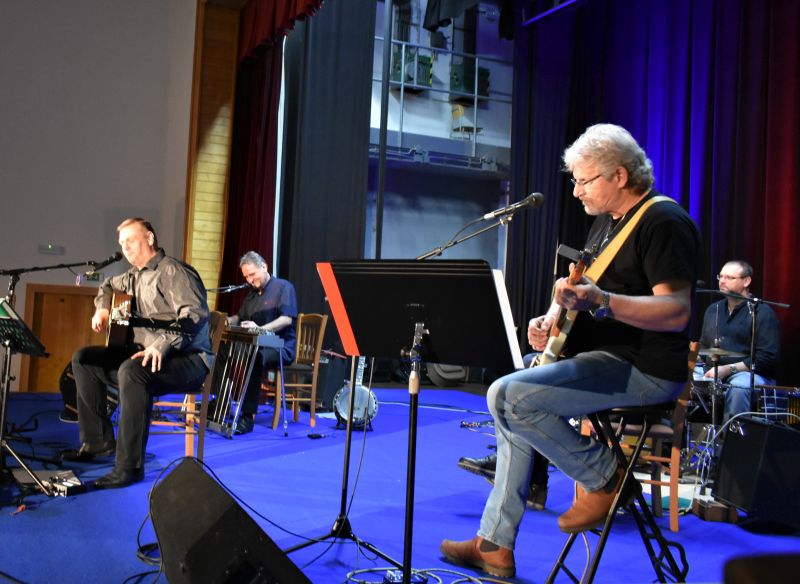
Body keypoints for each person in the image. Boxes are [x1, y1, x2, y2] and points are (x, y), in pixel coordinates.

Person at [440, 123, 702, 579]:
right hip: (608, 359)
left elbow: (677, 312)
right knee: (514, 386)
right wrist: (551, 318)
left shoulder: (663, 222)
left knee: (508, 396)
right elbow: (581, 287)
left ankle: (605, 477)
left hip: (646, 369)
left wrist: (603, 301)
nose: (577, 191)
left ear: (619, 175)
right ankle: (495, 543)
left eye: (584, 181)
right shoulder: (607, 223)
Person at [63, 218, 213, 489]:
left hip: (188, 359)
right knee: (84, 359)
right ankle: (97, 442)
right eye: (122, 243)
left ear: (150, 238)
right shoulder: (132, 276)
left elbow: (194, 316)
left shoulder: (174, 271)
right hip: (146, 356)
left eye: (130, 240)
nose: (125, 248)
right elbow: (107, 286)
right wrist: (102, 308)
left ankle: (128, 467)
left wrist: (162, 345)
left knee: (132, 371)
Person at [698, 260, 780, 421]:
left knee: (739, 388)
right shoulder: (713, 310)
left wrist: (728, 369)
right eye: (721, 276)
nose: (722, 281)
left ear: (746, 281)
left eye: (729, 277)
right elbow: (704, 347)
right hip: (712, 370)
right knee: (679, 379)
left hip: (749, 374)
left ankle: (733, 435)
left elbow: (767, 358)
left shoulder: (762, 313)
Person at [225, 251, 297, 434]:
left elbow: (286, 319)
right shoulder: (251, 296)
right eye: (246, 277)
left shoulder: (284, 287)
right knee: (223, 350)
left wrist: (260, 329)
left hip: (281, 347)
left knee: (254, 356)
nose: (249, 280)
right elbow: (239, 317)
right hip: (258, 345)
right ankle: (220, 402)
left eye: (252, 274)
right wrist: (227, 321)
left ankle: (247, 416)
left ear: (264, 267)